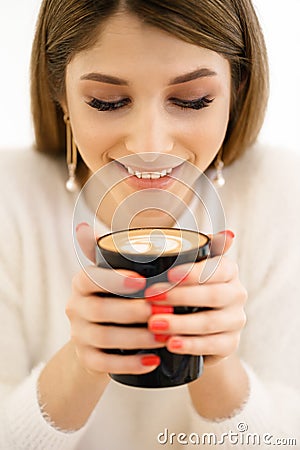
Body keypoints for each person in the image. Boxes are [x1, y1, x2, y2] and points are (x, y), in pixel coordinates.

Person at [0, 0, 299, 448]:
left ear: (237, 91)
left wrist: (215, 363)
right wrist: (83, 361)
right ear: (60, 97)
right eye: (108, 102)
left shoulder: (281, 194)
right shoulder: (10, 200)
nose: (150, 144)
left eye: (192, 100)